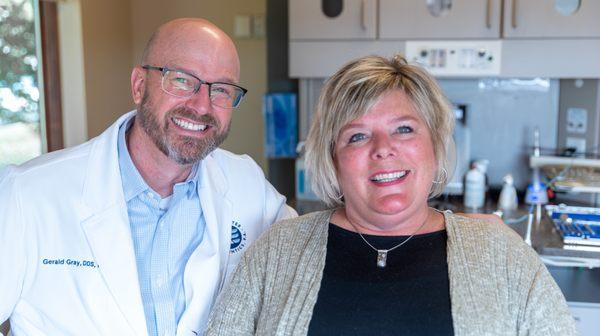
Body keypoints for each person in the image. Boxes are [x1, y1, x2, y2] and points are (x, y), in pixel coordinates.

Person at [206, 55, 577, 336]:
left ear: (434, 144)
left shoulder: (499, 252)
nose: (383, 149)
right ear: (332, 158)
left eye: (403, 129)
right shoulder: (277, 251)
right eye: (358, 135)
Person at [0, 18, 296, 336]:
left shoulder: (246, 184)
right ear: (139, 86)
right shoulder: (28, 193)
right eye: (182, 80)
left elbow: (311, 259)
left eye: (221, 90)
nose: (201, 105)